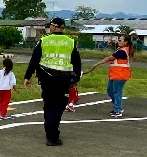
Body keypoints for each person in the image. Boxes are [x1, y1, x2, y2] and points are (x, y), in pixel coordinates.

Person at [23, 17, 83, 146]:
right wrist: (76, 77)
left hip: (46, 79)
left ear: (54, 27)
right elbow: (77, 62)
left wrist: (27, 76)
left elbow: (34, 60)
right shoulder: (70, 42)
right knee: (58, 106)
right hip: (63, 80)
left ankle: (49, 130)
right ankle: (52, 136)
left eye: (51, 26)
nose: (50, 28)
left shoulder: (44, 41)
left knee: (49, 104)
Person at [85, 35, 131, 118]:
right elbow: (115, 47)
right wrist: (112, 43)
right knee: (110, 91)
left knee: (117, 92)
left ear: (126, 42)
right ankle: (118, 106)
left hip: (120, 75)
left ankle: (118, 109)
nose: (118, 42)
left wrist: (97, 64)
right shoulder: (120, 49)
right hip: (115, 74)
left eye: (120, 40)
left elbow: (109, 58)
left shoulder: (122, 51)